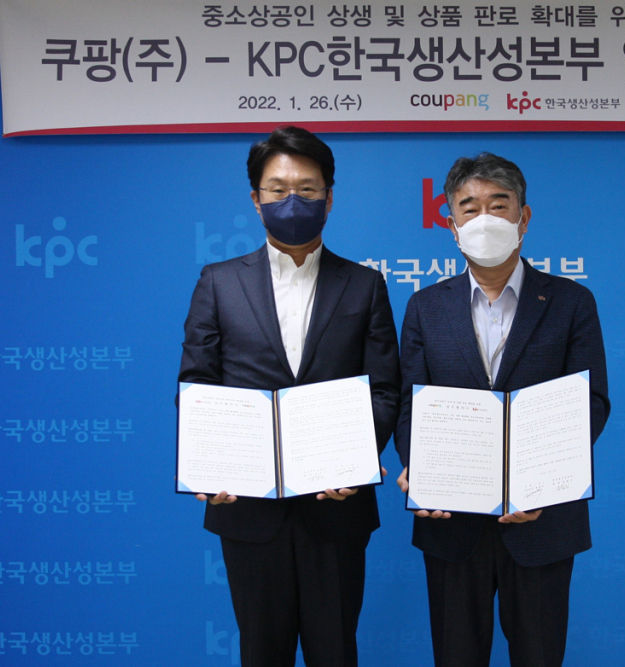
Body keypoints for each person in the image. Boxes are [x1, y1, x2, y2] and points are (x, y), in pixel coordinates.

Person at [178, 126, 400, 667]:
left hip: (336, 507)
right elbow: (197, 384)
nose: (292, 201)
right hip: (248, 509)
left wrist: (354, 460)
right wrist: (210, 464)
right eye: (277, 190)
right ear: (256, 200)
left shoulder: (364, 285)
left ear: (329, 197)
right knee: (262, 651)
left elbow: (384, 388)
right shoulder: (218, 282)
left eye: (307, 188)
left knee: (335, 651)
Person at [395, 152, 610, 667]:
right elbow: (409, 404)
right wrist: (420, 468)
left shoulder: (571, 302)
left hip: (542, 522)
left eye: (499, 204)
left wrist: (544, 482)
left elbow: (591, 402)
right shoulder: (425, 307)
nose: (484, 219)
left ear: (523, 217)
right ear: (452, 225)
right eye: (469, 208)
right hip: (452, 523)